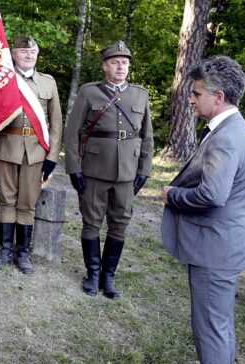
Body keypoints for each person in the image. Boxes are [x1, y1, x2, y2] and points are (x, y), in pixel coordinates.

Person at [161, 56, 245, 364]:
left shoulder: (227, 136)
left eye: (197, 93)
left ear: (218, 98)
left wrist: (172, 195)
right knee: (220, 325)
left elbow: (212, 195)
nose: (191, 98)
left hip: (214, 249)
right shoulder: (235, 128)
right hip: (226, 245)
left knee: (210, 331)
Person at [64, 41, 154, 298]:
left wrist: (144, 169)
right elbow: (72, 134)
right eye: (115, 62)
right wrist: (74, 168)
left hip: (127, 172)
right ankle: (92, 275)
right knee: (91, 223)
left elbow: (147, 137)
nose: (120, 67)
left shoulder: (140, 95)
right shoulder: (89, 92)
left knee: (120, 224)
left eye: (124, 63)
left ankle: (108, 277)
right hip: (94, 169)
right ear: (105, 66)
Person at [0, 35, 61, 275]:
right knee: (6, 200)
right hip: (6, 147)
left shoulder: (48, 83)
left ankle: (23, 252)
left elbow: (57, 124)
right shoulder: (2, 80)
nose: (29, 55)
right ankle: (5, 249)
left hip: (36, 150)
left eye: (33, 52)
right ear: (14, 55)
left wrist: (51, 158)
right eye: (24, 52)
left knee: (27, 203)